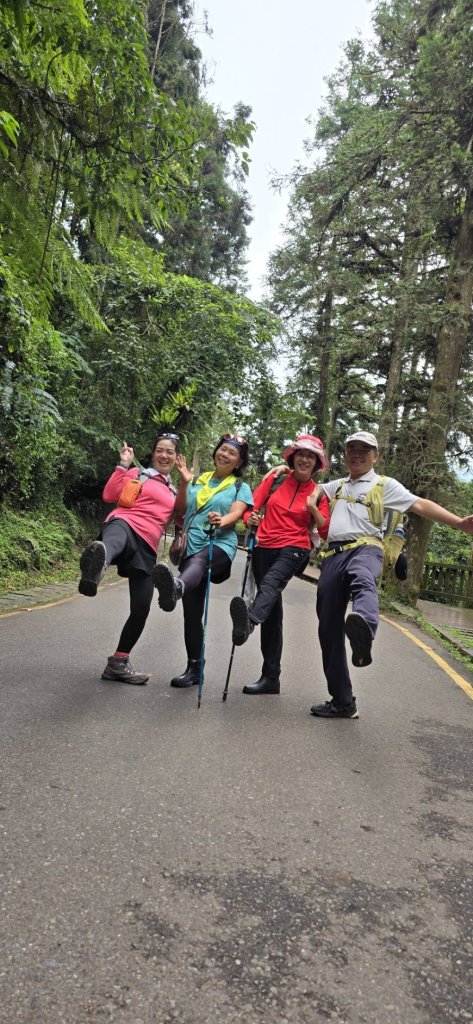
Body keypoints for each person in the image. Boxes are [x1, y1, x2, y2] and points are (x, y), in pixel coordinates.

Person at [312, 430, 473, 720]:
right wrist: (283, 473)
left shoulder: (384, 485)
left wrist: (459, 523)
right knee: (328, 628)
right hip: (333, 555)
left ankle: (364, 629)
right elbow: (310, 487)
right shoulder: (337, 485)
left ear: (375, 456)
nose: (357, 454)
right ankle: (343, 702)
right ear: (345, 455)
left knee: (363, 579)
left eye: (364, 450)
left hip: (366, 548)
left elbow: (420, 504)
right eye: (352, 449)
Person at [78, 433, 187, 684]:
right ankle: (97, 568)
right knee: (113, 541)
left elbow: (183, 517)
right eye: (160, 450)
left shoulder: (175, 491)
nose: (164, 455)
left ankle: (118, 663)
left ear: (176, 458)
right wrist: (124, 465)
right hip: (125, 523)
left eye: (170, 452)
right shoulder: (138, 474)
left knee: (141, 606)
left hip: (147, 545)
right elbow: (109, 496)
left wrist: (185, 483)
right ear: (153, 453)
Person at [229, 434, 330, 695]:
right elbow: (250, 507)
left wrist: (313, 507)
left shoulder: (320, 493)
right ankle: (270, 678)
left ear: (317, 463)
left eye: (311, 457)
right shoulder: (275, 480)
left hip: (295, 548)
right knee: (271, 609)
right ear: (293, 458)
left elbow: (325, 530)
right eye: (301, 454)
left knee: (271, 584)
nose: (305, 459)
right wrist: (250, 519)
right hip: (264, 546)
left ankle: (249, 621)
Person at [152, 434, 253, 687]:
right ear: (216, 451)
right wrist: (185, 482)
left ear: (239, 462)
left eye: (232, 453)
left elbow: (237, 514)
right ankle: (195, 668)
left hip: (220, 545)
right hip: (190, 545)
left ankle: (177, 586)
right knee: (192, 612)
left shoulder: (240, 487)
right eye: (223, 449)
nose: (225, 455)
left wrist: (222, 520)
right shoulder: (198, 479)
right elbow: (180, 509)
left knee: (201, 560)